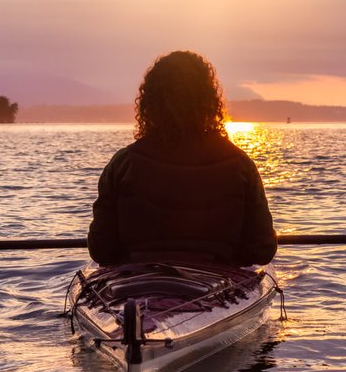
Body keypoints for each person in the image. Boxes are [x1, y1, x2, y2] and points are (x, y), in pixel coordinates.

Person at [88, 51, 276, 268]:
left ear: (149, 103)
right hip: (218, 281)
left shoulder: (122, 164)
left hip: (136, 284)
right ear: (209, 101)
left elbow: (101, 250)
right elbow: (262, 250)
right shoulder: (240, 165)